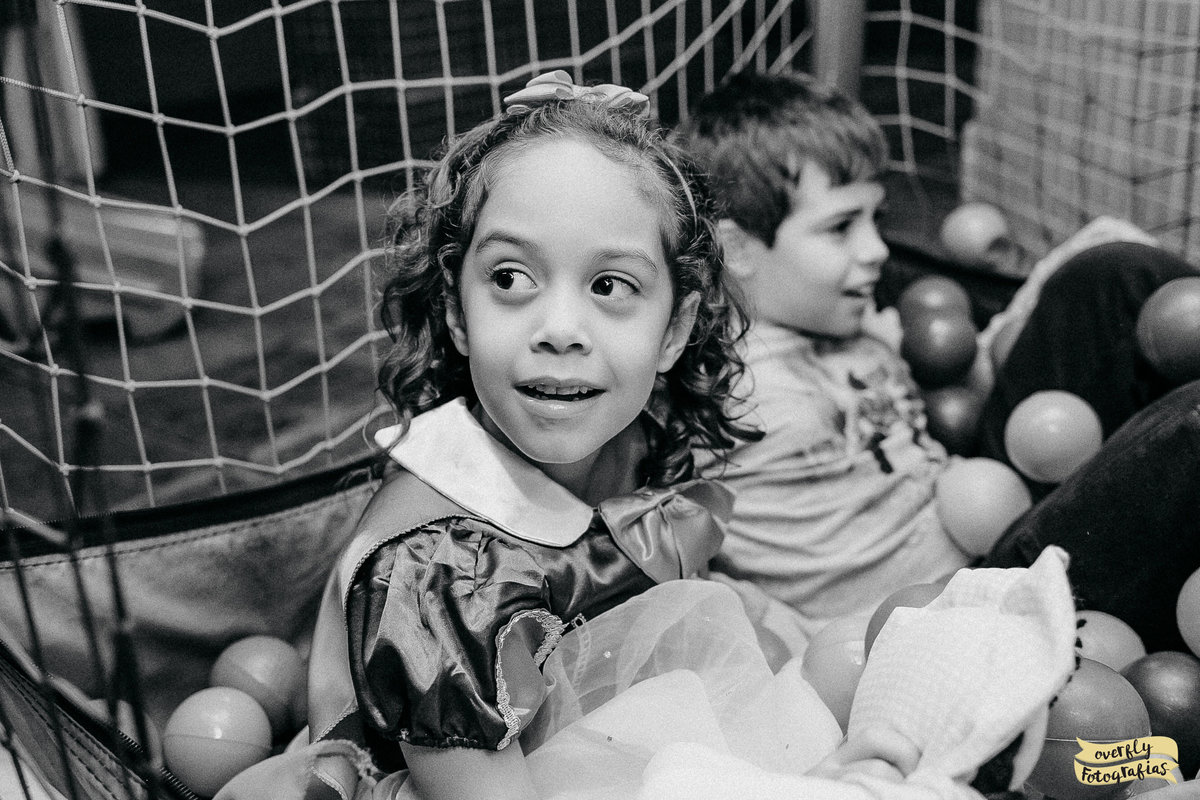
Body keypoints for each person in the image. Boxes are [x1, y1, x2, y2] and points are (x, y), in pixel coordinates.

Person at [215, 71, 1081, 800]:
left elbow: (680, 607)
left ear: (675, 330)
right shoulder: (434, 568)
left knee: (860, 659)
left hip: (579, 717)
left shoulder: (624, 433)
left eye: (611, 285)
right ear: (456, 311)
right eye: (511, 277)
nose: (560, 327)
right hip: (467, 782)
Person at [680, 69, 1200, 653]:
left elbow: (972, 371)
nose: (876, 250)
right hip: (959, 616)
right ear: (740, 249)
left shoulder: (846, 322)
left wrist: (1022, 307)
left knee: (1114, 273)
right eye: (841, 228)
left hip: (996, 517)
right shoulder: (716, 382)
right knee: (1190, 429)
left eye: (876, 219)